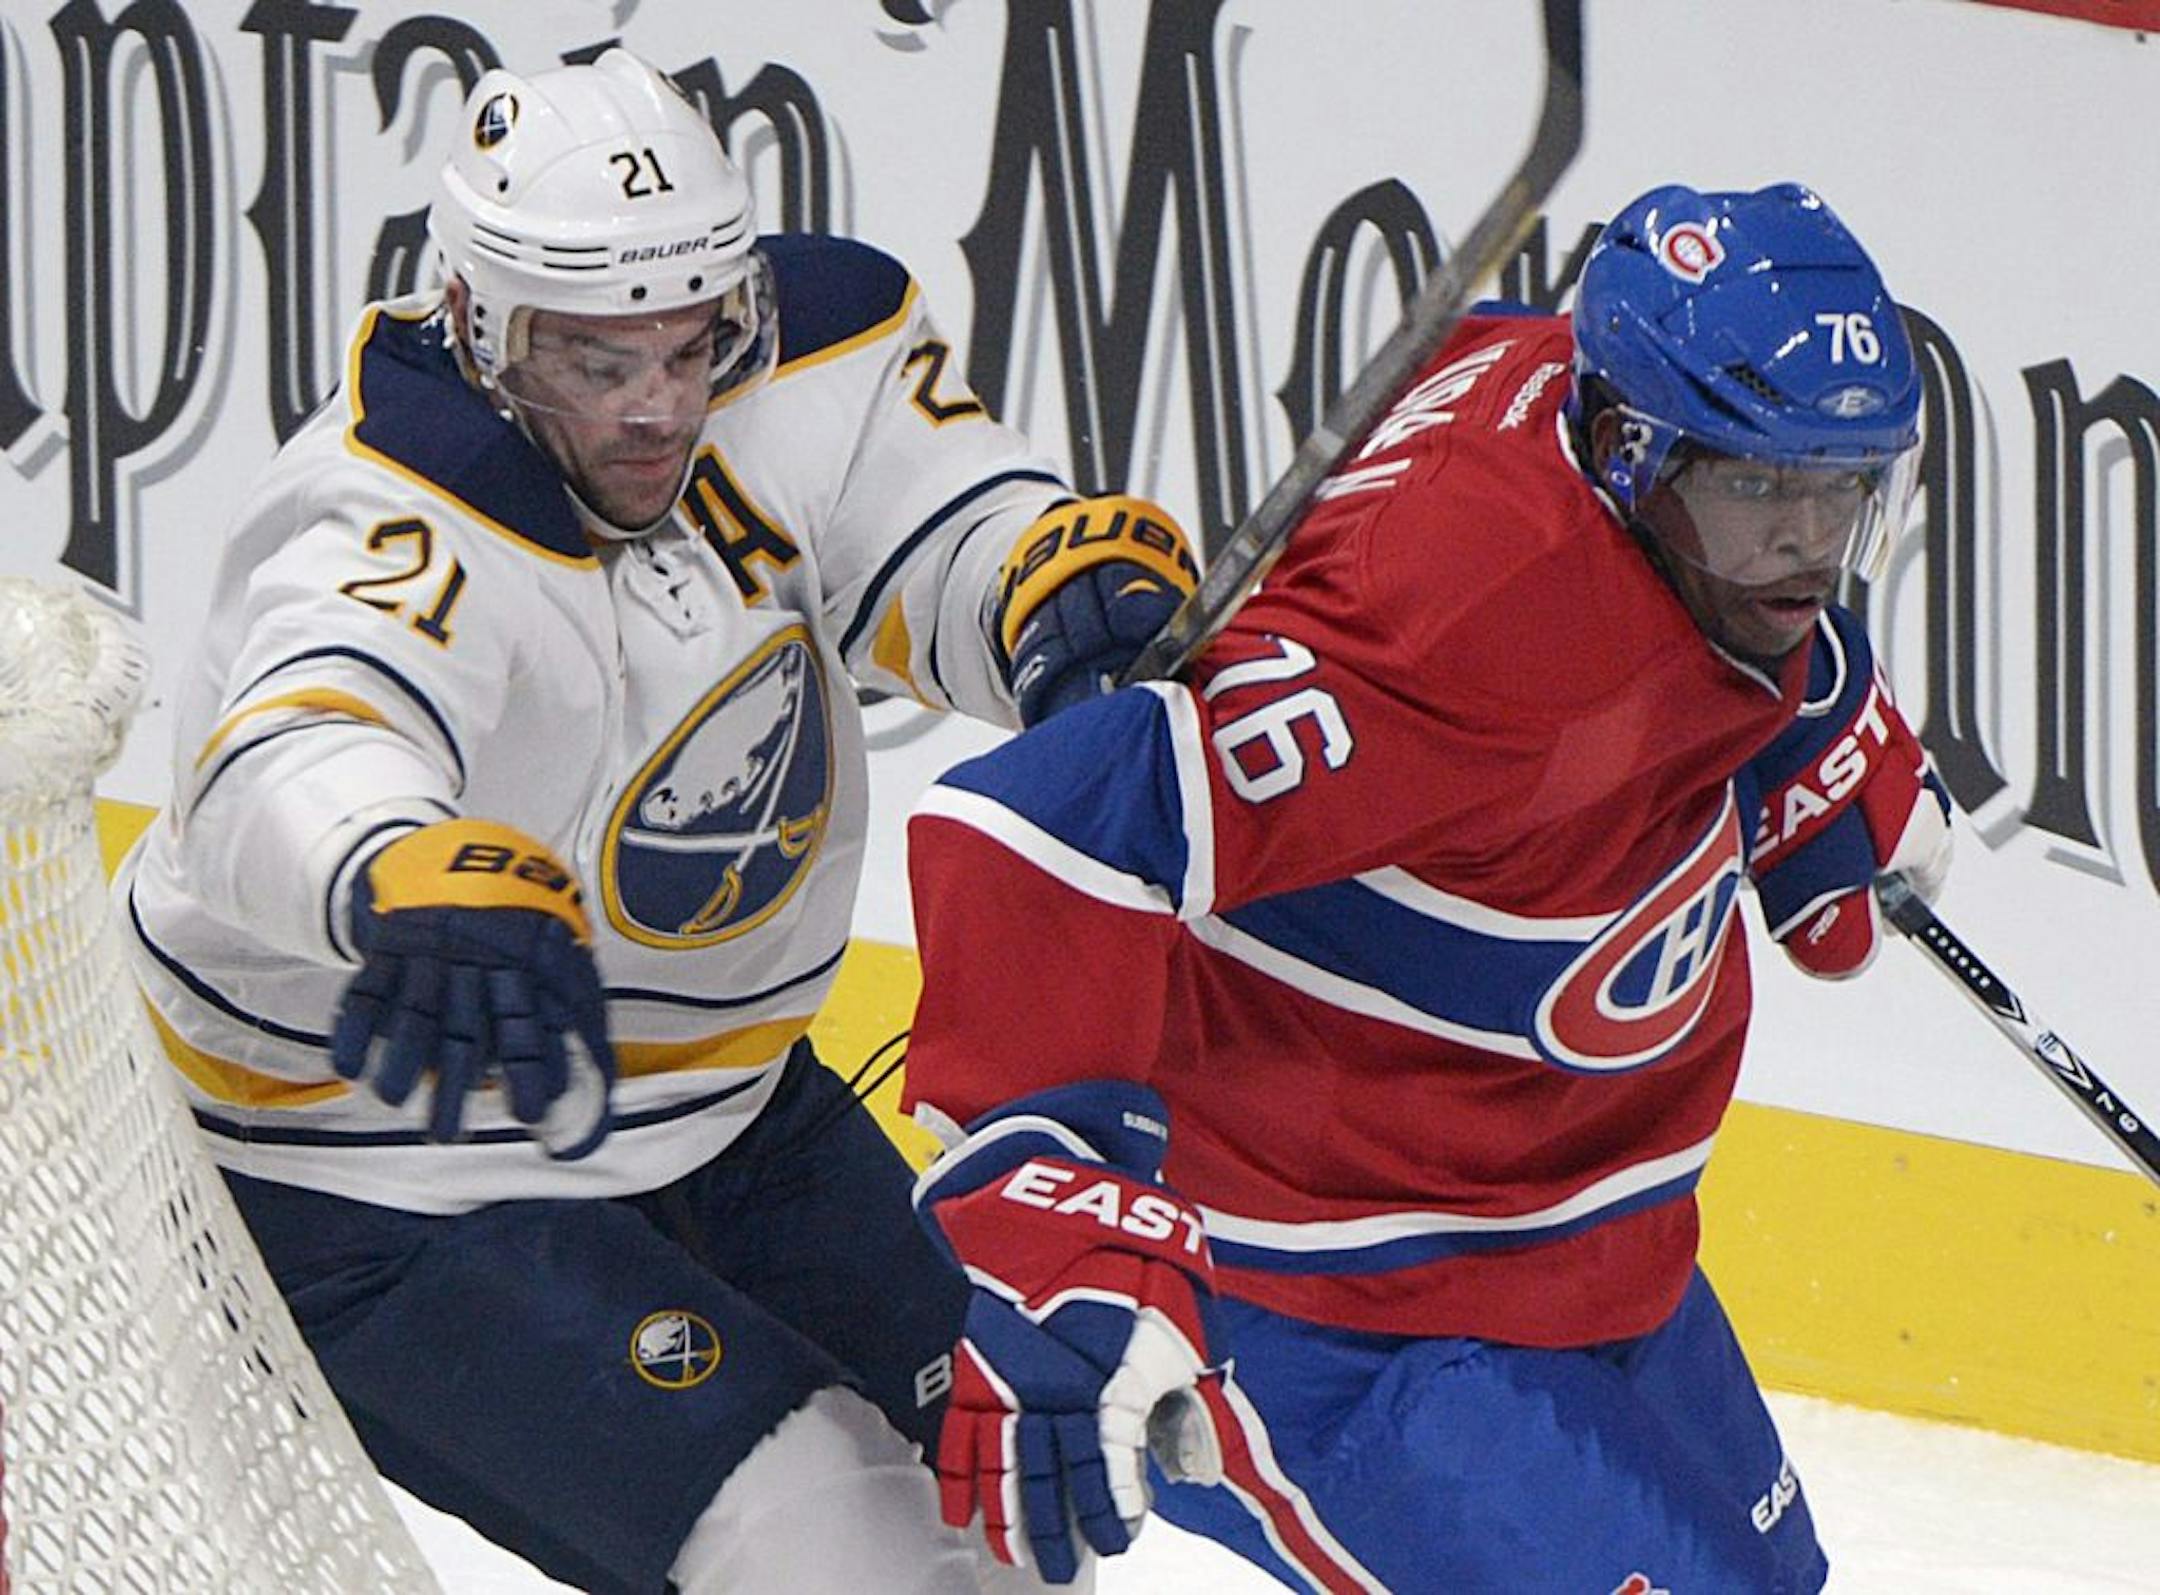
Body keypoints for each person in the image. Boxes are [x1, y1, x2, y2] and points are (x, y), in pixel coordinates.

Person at [115, 49, 1196, 1595]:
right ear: (482, 326)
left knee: (1006, 1511)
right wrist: (392, 864)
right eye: (598, 363)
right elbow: (288, 743)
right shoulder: (385, 512)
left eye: (693, 350)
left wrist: (1041, 589)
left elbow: (936, 524)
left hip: (730, 1110)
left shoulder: (808, 354)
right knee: (847, 1560)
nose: (658, 409)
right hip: (385, 1172)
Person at [898, 182, 1954, 1593]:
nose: (1807, 547)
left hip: (1582, 1236)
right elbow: (1047, 823)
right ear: (1630, 451)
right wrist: (1038, 1181)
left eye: (1842, 492)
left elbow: (1575, 402)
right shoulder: (1447, 632)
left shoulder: (1564, 386)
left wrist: (1805, 712)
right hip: (1337, 1311)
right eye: (1763, 491)